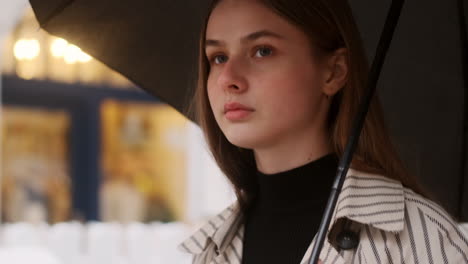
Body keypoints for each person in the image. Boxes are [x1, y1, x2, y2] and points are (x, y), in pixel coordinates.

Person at [178, 0, 468, 263]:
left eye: (262, 51)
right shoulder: (211, 253)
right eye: (218, 57)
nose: (228, 78)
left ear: (334, 72)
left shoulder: (418, 239)